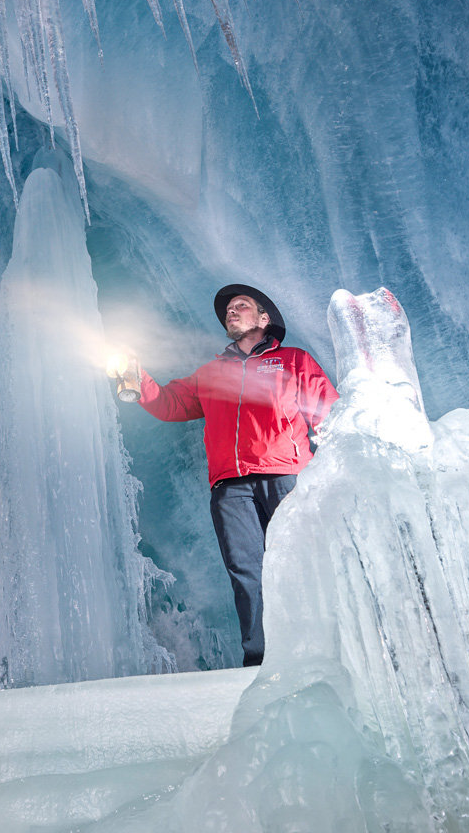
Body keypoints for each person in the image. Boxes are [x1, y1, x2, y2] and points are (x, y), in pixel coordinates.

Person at [110, 284, 336, 667]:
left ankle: (320, 651)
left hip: (287, 478)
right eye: (228, 310)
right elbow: (169, 403)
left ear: (264, 320)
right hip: (230, 487)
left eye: (241, 306)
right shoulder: (212, 373)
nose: (232, 312)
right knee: (247, 573)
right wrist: (136, 375)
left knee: (301, 564)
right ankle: (261, 659)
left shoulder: (293, 360)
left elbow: (328, 413)